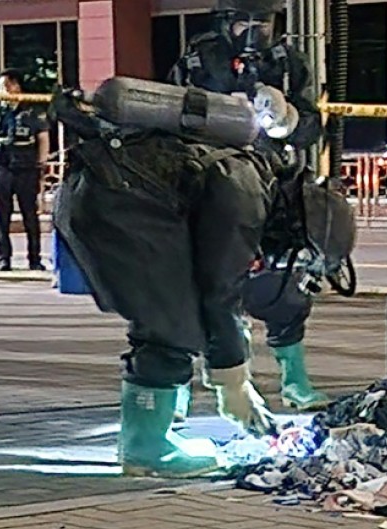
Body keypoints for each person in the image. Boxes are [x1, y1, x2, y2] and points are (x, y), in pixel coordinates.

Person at [51, 80, 280, 478]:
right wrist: (233, 381)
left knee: (178, 313)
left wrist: (231, 370)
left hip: (105, 193)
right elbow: (221, 289)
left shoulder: (243, 166)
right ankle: (147, 447)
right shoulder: (247, 190)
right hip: (118, 205)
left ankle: (162, 424)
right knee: (171, 324)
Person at [167, 0, 331, 411]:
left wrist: (290, 118)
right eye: (244, 22)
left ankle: (294, 380)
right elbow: (169, 110)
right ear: (226, 22)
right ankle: (180, 389)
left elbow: (312, 126)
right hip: (209, 180)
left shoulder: (289, 62)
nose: (254, 31)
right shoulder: (199, 58)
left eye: (263, 22)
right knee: (196, 286)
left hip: (275, 179)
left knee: (287, 281)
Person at [0, 68, 49, 272]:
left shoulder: (32, 110)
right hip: (2, 166)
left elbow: (43, 138)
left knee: (30, 215)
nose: (2, 90)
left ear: (16, 86)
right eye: (0, 87)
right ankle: (4, 259)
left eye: (5, 86)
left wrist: (41, 167)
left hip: (26, 166)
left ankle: (35, 259)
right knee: (2, 216)